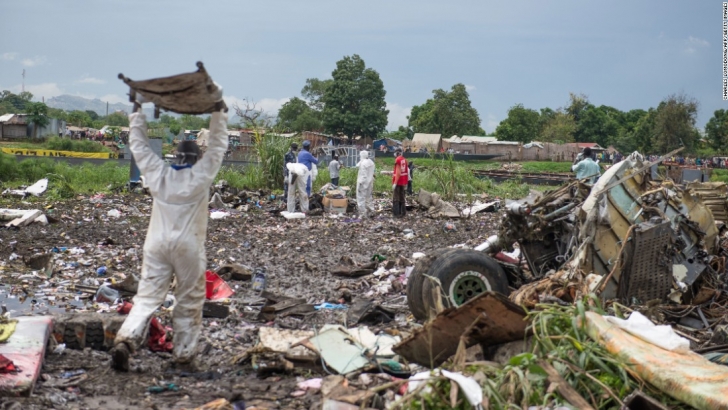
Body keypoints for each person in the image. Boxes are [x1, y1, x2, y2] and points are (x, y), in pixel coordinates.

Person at [110, 102, 229, 372]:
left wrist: (137, 113)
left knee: (147, 297)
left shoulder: (158, 175)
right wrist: (218, 114)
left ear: (175, 157)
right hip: (188, 245)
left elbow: (138, 146)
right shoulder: (202, 175)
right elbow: (218, 146)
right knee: (188, 300)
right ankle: (184, 358)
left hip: (156, 244)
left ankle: (126, 341)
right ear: (196, 158)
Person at [356, 150, 375, 217]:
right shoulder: (371, 162)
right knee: (369, 197)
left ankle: (363, 213)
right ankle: (371, 211)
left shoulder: (363, 163)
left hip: (363, 183)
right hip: (370, 183)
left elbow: (363, 175)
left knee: (361, 198)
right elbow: (372, 173)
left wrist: (360, 183)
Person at [392, 148, 409, 217]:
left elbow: (398, 172)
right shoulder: (404, 160)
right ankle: (403, 212)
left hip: (398, 181)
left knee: (396, 197)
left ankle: (396, 213)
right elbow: (406, 171)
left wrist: (395, 183)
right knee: (402, 196)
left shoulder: (398, 160)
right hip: (403, 181)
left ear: (397, 153)